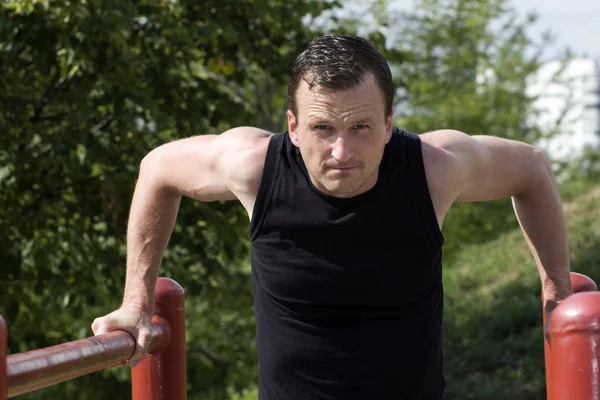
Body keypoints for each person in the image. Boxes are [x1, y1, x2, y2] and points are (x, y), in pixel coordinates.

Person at [91, 35, 573, 399]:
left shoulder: (432, 168)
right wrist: (135, 303)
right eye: (323, 128)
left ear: (388, 125)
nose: (342, 151)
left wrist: (557, 294)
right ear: (294, 127)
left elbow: (528, 167)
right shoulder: (255, 167)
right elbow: (157, 169)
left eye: (361, 127)